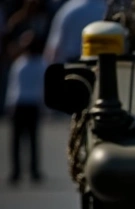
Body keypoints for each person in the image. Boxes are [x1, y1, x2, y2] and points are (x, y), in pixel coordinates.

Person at [5, 29, 43, 184]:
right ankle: (22, 171)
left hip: (25, 104)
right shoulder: (33, 64)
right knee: (25, 141)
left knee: (25, 141)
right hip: (26, 104)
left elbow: (13, 86)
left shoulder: (22, 64)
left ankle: (26, 171)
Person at [43, 0, 106, 65]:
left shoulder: (69, 9)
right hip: (97, 66)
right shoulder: (105, 10)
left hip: (70, 67)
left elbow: (53, 51)